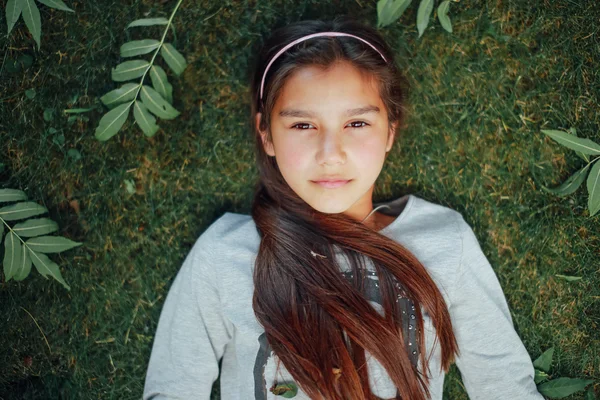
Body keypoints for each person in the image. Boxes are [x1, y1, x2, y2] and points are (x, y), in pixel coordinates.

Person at [142, 16, 544, 400]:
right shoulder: (225, 253)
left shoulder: (443, 241)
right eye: (302, 125)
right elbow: (175, 388)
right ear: (266, 133)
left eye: (356, 124)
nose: (330, 154)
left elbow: (504, 385)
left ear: (390, 129)